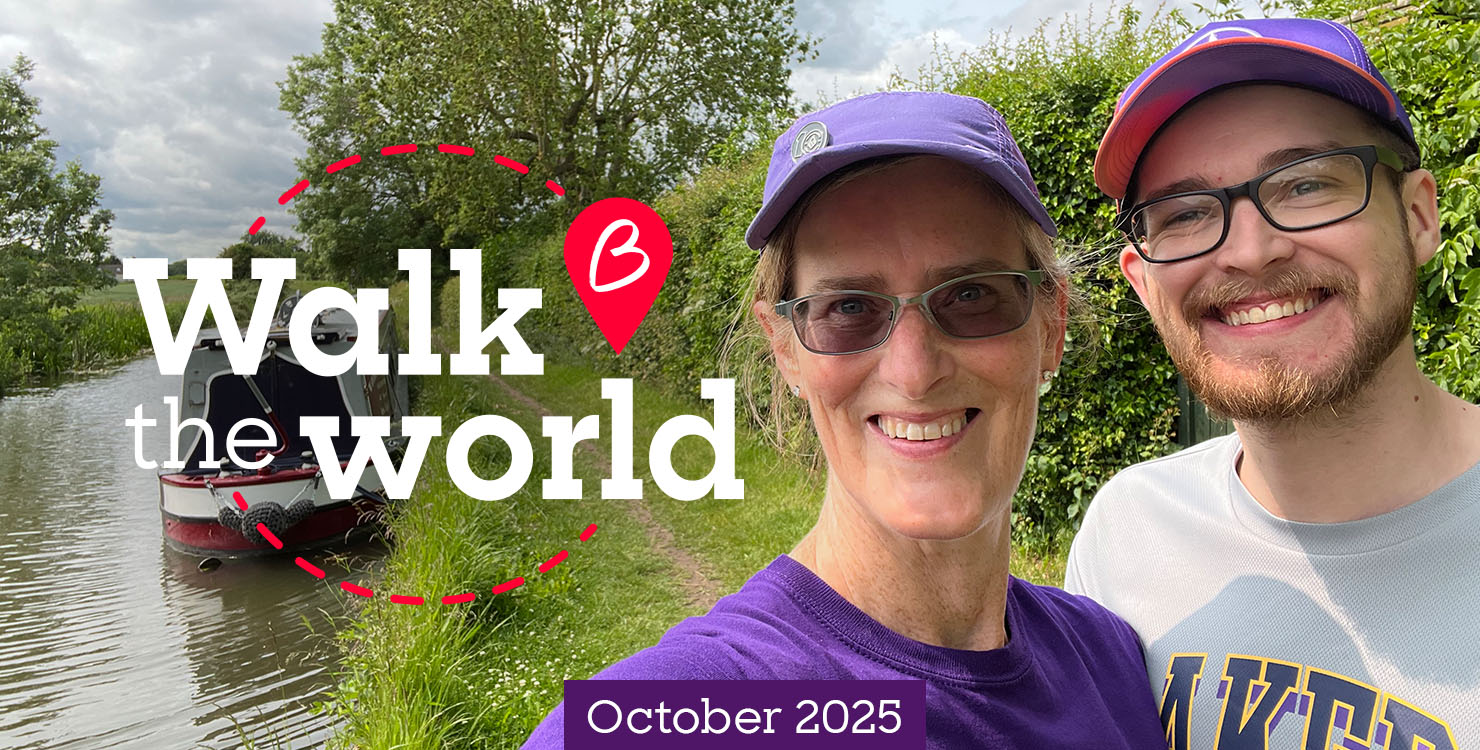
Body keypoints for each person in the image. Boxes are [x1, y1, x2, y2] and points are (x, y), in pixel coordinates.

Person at [523, 91, 1165, 747]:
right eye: (849, 309)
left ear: (1050, 324)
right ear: (785, 349)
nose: (914, 371)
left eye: (972, 296)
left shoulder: (1109, 658)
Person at [1066, 17, 1480, 750]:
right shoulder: (1128, 531)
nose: (1250, 252)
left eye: (1307, 184)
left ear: (1418, 216)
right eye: (1186, 213)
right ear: (1143, 283)